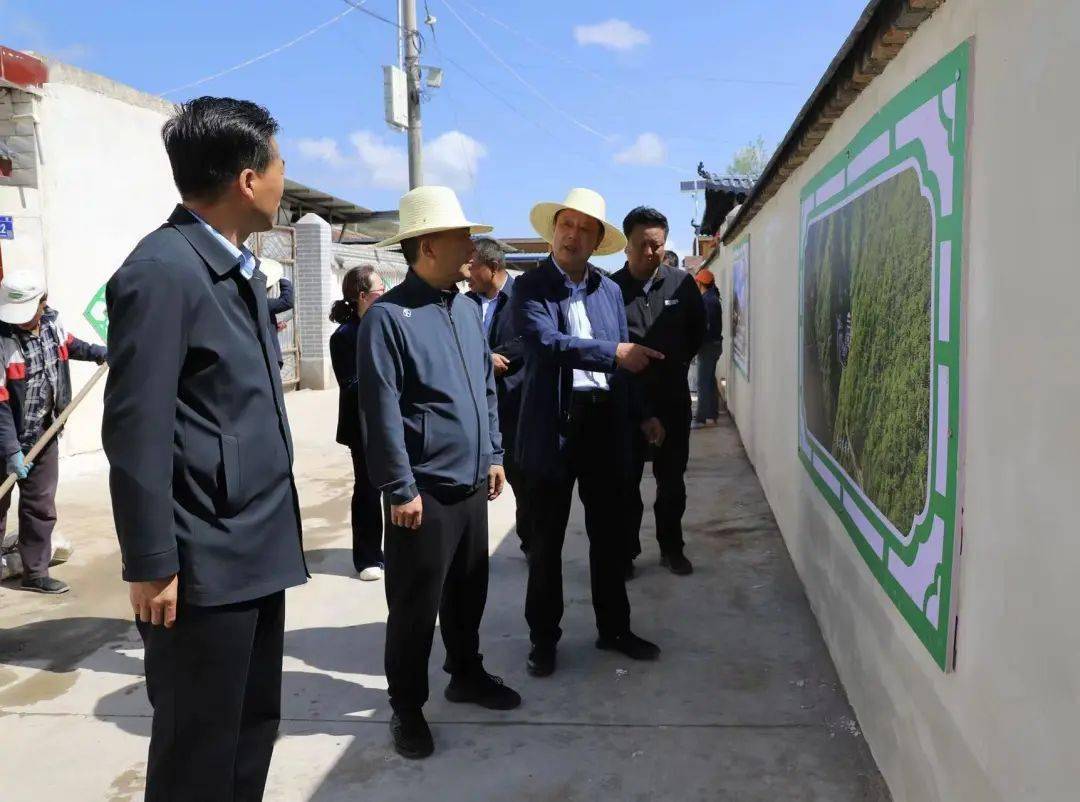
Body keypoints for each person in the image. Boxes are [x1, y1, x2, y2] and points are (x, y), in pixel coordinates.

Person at [102, 97, 307, 802]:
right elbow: (135, 429)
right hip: (203, 560)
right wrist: (152, 562)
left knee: (251, 731)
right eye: (279, 164)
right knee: (199, 749)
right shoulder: (164, 270)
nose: (285, 178)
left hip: (253, 543)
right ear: (248, 180)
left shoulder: (232, 267)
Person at [359, 185, 521, 760]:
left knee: (468, 593)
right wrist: (400, 489)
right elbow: (379, 412)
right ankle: (406, 709)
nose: (471, 248)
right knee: (412, 609)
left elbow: (483, 387)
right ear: (429, 245)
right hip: (422, 493)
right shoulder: (388, 318)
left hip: (472, 483)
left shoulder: (466, 309)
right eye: (461, 238)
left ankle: (466, 673)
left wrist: (495, 453)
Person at [512, 187, 665, 679]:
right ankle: (543, 639)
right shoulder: (531, 288)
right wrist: (612, 354)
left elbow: (625, 363)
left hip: (604, 424)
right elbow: (545, 344)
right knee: (546, 542)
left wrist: (643, 413)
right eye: (566, 226)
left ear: (597, 240)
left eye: (584, 229)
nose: (572, 236)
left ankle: (614, 629)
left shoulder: (609, 291)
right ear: (553, 230)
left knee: (611, 535)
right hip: (555, 427)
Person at [612, 207, 705, 577]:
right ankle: (627, 552)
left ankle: (672, 548)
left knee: (671, 483)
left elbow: (697, 333)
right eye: (643, 245)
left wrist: (672, 366)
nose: (651, 252)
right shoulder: (610, 289)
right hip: (626, 404)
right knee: (625, 484)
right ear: (626, 246)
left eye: (658, 245)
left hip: (672, 401)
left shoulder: (682, 284)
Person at [0, 272, 106, 594]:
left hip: (44, 434)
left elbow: (72, 346)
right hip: (4, 440)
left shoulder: (52, 325)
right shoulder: (2, 340)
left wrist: (102, 352)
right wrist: (10, 450)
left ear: (42, 304)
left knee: (40, 507)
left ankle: (35, 573)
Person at [465, 237, 528, 553]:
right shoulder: (465, 303)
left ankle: (530, 540)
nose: (467, 273)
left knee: (522, 479)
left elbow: (530, 340)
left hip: (514, 405)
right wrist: (484, 357)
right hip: (476, 408)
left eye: (472, 266)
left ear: (492, 266)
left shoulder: (524, 299)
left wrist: (492, 356)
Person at [329, 264, 386, 580]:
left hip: (397, 421)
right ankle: (367, 557)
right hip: (362, 424)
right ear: (363, 296)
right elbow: (351, 383)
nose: (385, 294)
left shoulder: (388, 324)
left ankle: (400, 552)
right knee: (367, 489)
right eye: (380, 289)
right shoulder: (344, 337)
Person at [693, 268, 724, 427]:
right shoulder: (712, 298)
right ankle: (712, 414)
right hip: (714, 345)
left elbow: (706, 327)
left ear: (700, 283)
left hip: (708, 347)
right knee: (709, 381)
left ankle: (701, 418)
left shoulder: (707, 301)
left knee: (703, 383)